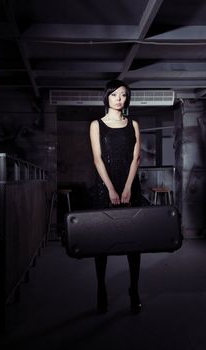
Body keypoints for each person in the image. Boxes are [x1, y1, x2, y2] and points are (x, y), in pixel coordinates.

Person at [89, 79, 142, 314]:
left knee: (134, 240)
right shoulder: (96, 125)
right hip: (105, 186)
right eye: (114, 95)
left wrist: (128, 187)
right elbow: (98, 159)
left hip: (131, 185)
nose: (119, 99)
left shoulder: (134, 124)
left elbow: (136, 159)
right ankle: (101, 288)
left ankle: (134, 289)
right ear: (107, 97)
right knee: (102, 240)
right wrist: (110, 188)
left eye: (123, 95)